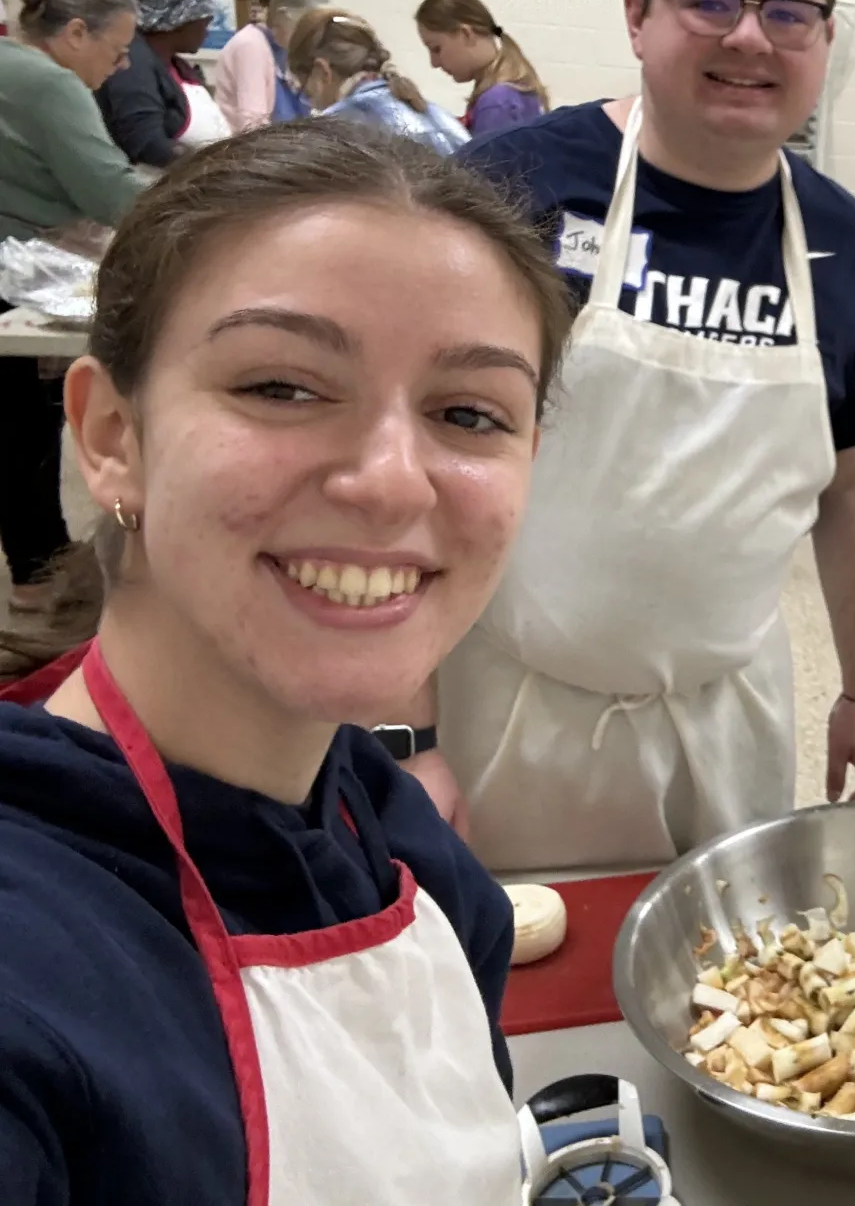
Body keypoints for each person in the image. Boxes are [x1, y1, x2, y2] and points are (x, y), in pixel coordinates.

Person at [0, 120, 576, 1202]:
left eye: (468, 413)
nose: (392, 482)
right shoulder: (30, 967)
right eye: (282, 387)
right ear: (112, 434)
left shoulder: (409, 849)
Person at [445, 0, 855, 872]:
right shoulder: (506, 191)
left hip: (730, 721)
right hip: (512, 716)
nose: (750, 38)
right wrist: (406, 727)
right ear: (637, 16)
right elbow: (412, 463)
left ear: (824, 38)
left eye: (788, 12)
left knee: (732, 969)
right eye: (708, 0)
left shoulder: (843, 241)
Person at [0, 0, 145, 618]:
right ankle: (38, 573)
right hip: (18, 275)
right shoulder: (48, 83)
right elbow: (106, 187)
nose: (123, 66)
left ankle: (38, 559)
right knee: (26, 425)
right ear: (76, 33)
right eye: (117, 50)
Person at [95, 0, 230, 166]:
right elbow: (147, 143)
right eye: (204, 19)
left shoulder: (174, 64)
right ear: (181, 17)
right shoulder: (132, 66)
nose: (207, 29)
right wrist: (214, 165)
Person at [287, 7, 469, 155]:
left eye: (308, 94)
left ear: (322, 71)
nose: (313, 105)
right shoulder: (439, 116)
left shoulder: (338, 130)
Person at [415, 0, 551, 137]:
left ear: (466, 34)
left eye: (436, 49)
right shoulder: (511, 88)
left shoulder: (497, 103)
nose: (434, 63)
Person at [214, 0, 329, 131]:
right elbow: (252, 124)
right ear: (282, 16)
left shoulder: (282, 48)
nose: (309, 37)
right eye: (305, 28)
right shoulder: (250, 46)